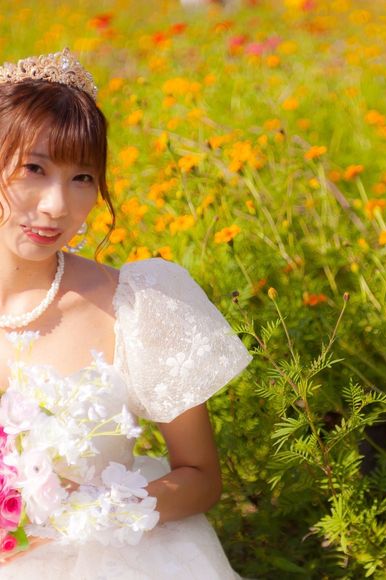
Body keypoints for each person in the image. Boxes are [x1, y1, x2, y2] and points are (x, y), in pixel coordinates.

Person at [0, 48, 252, 579]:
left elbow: (200, 476)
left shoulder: (135, 303)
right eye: (34, 169)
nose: (56, 206)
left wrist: (87, 515)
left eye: (82, 178)